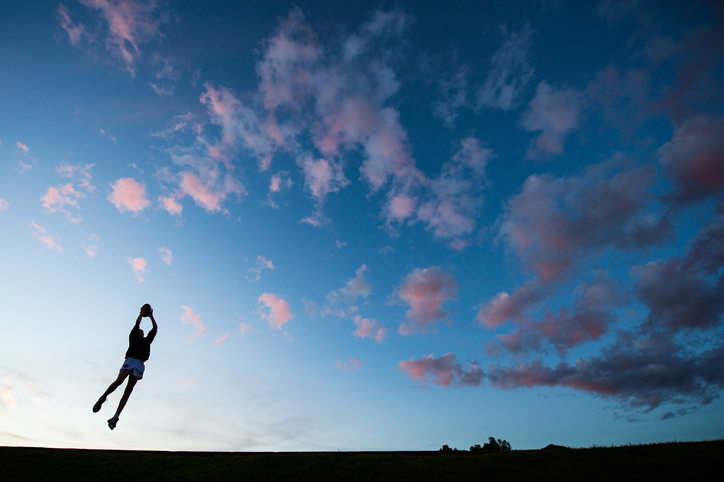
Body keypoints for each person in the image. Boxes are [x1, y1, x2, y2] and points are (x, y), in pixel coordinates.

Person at [93, 304, 157, 430]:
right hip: (131, 360)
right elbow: (137, 323)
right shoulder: (133, 337)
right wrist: (141, 313)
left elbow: (155, 328)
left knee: (128, 391)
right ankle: (103, 397)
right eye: (140, 330)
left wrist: (151, 317)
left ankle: (115, 417)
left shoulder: (147, 341)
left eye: (142, 331)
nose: (141, 330)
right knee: (119, 381)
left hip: (140, 364)